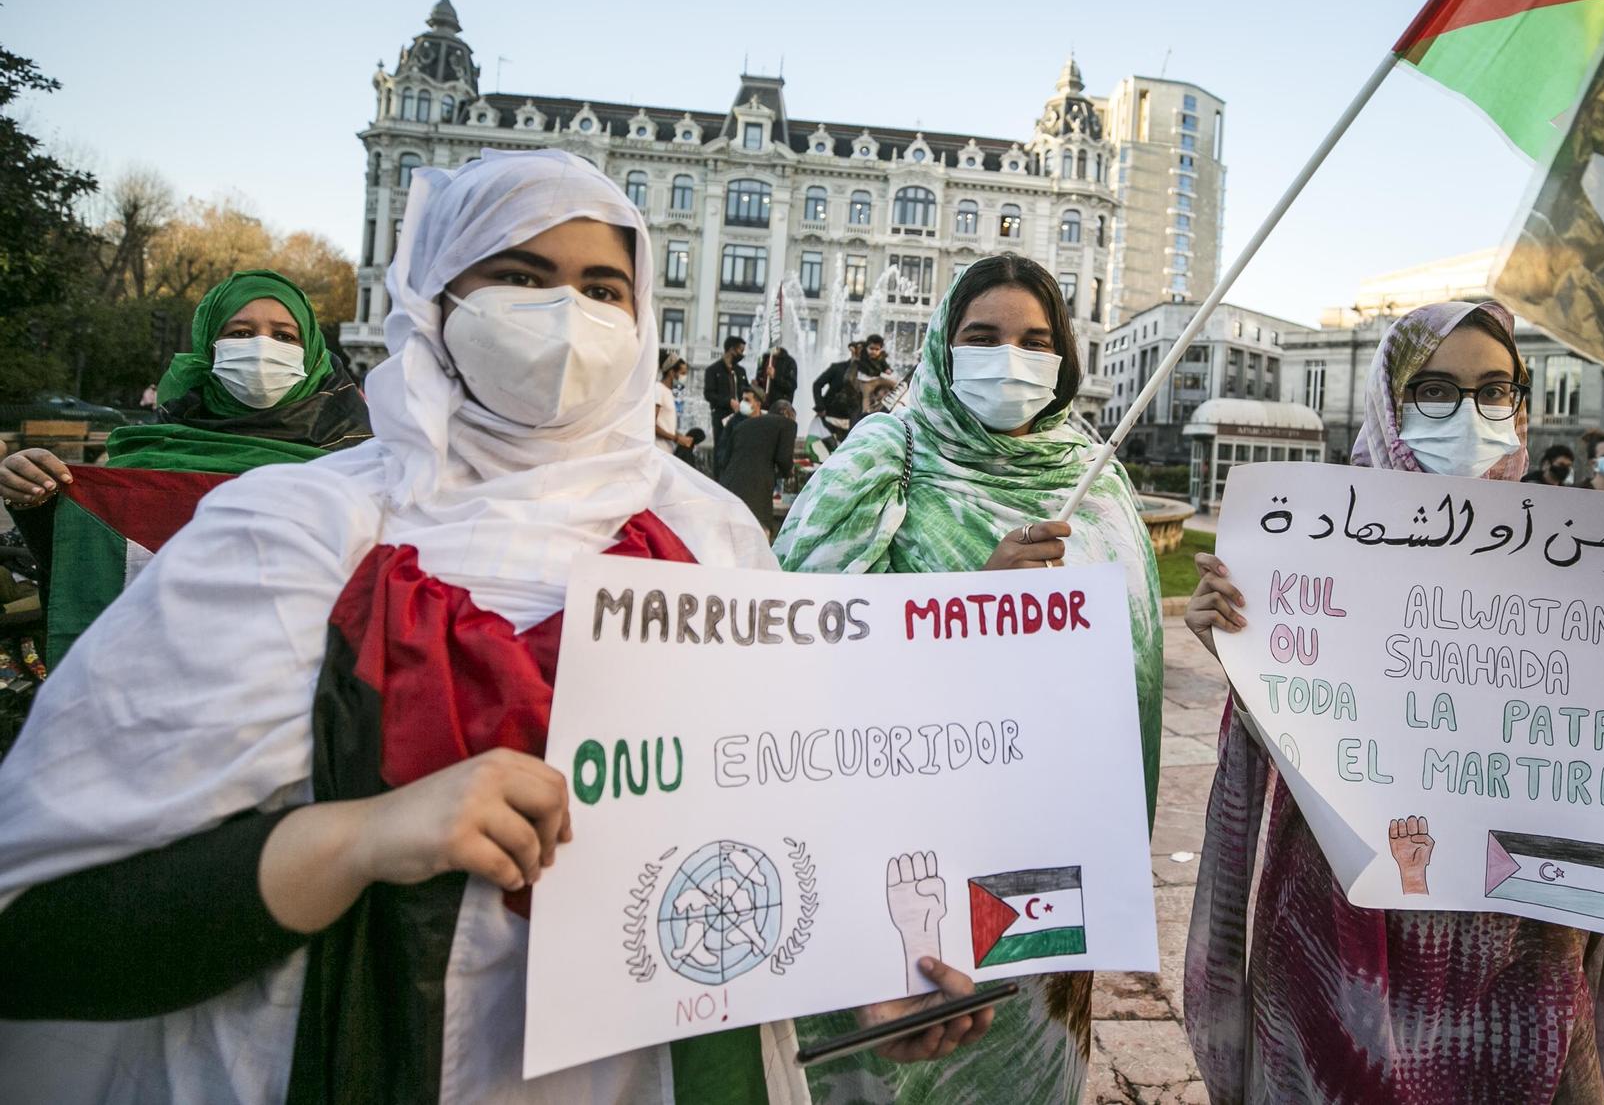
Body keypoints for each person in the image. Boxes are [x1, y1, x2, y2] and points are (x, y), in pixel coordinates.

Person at [0, 149, 990, 1103]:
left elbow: (772, 828)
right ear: (436, 296)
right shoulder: (286, 535)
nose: (568, 314)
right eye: (521, 275)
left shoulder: (710, 535)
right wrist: (354, 838)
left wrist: (869, 971)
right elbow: (47, 928)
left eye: (604, 288)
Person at [1179, 300, 1604, 1104]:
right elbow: (1292, 737)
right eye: (1436, 391)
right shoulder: (1311, 547)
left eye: (1496, 390)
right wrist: (1244, 651)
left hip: (1527, 948)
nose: (1471, 414)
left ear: (1521, 406)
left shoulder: (1595, 564)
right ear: (1391, 404)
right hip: (1339, 941)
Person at [776, 253, 1164, 1104]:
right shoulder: (890, 454)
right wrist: (971, 605)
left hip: (1043, 852)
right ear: (945, 349)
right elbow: (791, 638)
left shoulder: (1096, 478)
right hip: (900, 852)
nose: (1009, 357)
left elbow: (1134, 657)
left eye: (1034, 340)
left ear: (1064, 358)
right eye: (982, 336)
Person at [0, 268, 373, 663]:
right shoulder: (146, 458)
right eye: (240, 334)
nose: (263, 349)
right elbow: (88, 565)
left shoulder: (360, 463)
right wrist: (34, 497)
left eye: (284, 336)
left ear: (312, 352)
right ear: (208, 347)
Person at [716, 388, 796, 537]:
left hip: (730, 487)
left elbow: (725, 459)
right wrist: (788, 472)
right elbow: (784, 459)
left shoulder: (742, 425)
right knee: (759, 538)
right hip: (755, 493)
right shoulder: (787, 424)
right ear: (788, 415)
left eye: (747, 399)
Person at [812, 342, 864, 443]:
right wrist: (820, 407)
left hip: (854, 420)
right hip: (831, 417)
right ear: (853, 350)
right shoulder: (837, 368)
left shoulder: (869, 374)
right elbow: (817, 384)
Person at [653, 351, 699, 459]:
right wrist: (676, 438)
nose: (684, 377)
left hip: (667, 451)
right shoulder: (658, 389)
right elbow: (651, 424)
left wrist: (681, 437)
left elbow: (666, 425)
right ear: (671, 372)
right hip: (658, 450)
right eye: (682, 373)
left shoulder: (668, 392)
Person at [703, 334, 750, 431]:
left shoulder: (741, 371)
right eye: (741, 351)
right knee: (722, 444)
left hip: (740, 416)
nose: (742, 354)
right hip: (721, 417)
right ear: (732, 349)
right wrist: (728, 401)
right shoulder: (713, 370)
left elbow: (746, 390)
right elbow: (709, 394)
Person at [855, 333, 899, 414]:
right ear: (866, 347)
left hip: (877, 379)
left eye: (877, 349)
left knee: (895, 384)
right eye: (871, 349)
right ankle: (865, 412)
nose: (874, 352)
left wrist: (887, 369)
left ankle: (895, 401)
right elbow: (867, 370)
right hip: (866, 381)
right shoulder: (862, 356)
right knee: (866, 397)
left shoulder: (880, 356)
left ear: (880, 349)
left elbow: (884, 365)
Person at [757, 344, 798, 413]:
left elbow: (791, 386)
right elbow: (760, 379)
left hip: (779, 407)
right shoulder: (764, 359)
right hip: (762, 405)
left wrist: (775, 376)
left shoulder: (789, 362)